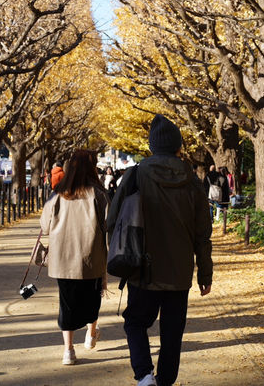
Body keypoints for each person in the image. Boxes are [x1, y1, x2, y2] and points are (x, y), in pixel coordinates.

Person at [107, 114, 213, 386]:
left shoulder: (136, 174)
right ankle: (165, 380)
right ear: (178, 146)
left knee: (134, 322)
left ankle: (144, 376)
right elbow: (203, 233)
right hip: (179, 271)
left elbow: (112, 220)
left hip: (143, 267)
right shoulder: (192, 180)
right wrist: (205, 274)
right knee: (172, 331)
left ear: (152, 146)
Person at [40, 149, 110, 366]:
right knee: (92, 298)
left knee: (67, 303)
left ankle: (68, 350)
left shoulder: (58, 194)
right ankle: (90, 334)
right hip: (91, 257)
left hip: (63, 259)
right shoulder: (98, 194)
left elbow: (44, 225)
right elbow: (109, 223)